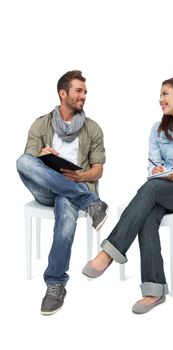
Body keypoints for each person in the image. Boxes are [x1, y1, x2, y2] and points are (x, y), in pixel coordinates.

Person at [82, 76, 173, 314]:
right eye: (161, 95)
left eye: (165, 94)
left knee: (151, 190)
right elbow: (153, 165)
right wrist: (157, 171)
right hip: (162, 191)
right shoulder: (158, 129)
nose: (160, 100)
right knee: (147, 212)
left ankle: (109, 252)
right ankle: (154, 291)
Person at [16, 70, 108, 315]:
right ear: (63, 93)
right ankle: (91, 202)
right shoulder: (41, 124)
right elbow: (30, 162)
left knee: (66, 204)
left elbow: (98, 171)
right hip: (46, 188)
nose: (84, 96)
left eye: (85, 92)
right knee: (23, 161)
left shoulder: (93, 129)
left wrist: (79, 176)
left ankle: (55, 284)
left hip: (73, 189)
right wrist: (43, 156)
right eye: (79, 90)